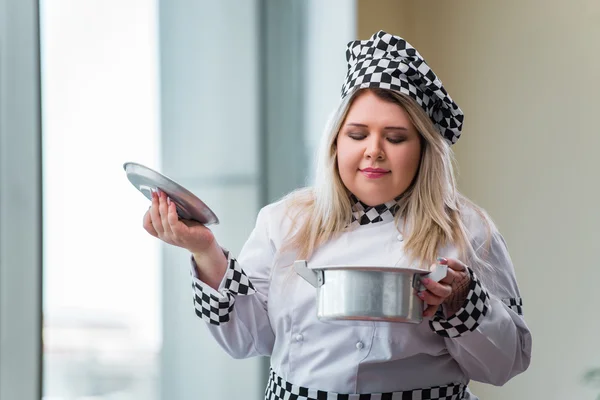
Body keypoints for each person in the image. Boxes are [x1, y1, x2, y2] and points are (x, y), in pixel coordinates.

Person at [143, 30, 532, 400]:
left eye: (395, 138)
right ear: (335, 142)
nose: (374, 151)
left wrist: (462, 301)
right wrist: (206, 252)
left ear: (423, 150)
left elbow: (506, 363)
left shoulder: (469, 231)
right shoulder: (284, 221)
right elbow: (247, 340)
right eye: (357, 134)